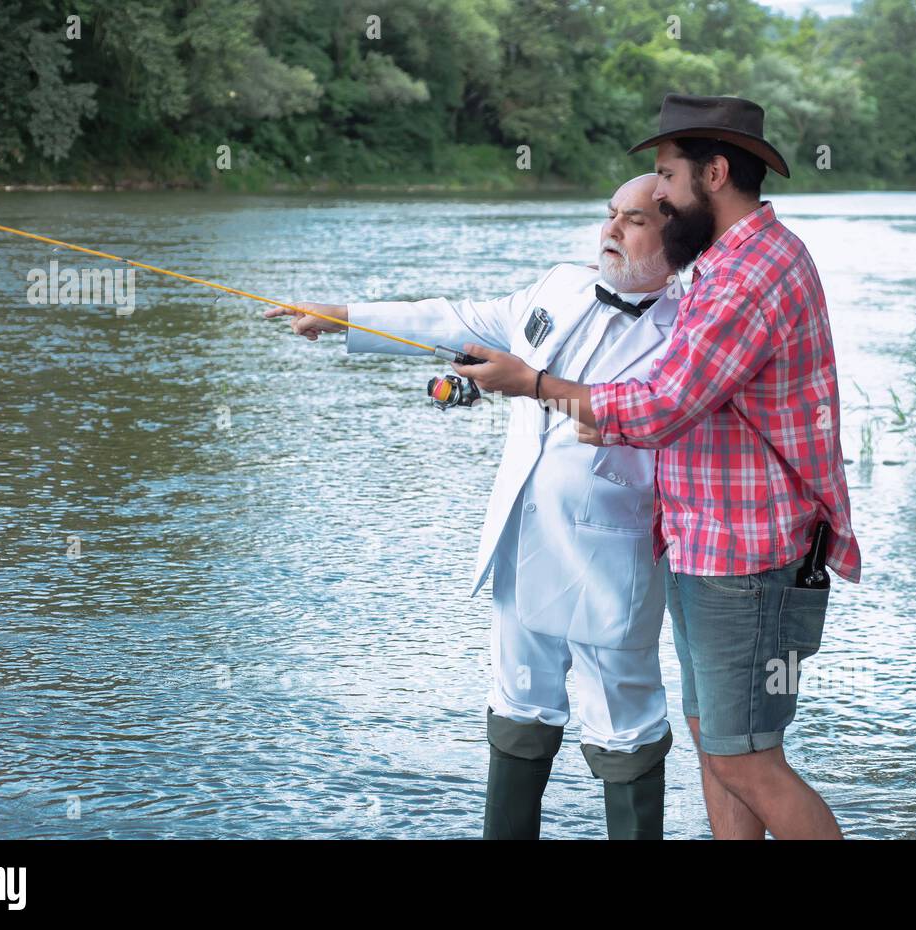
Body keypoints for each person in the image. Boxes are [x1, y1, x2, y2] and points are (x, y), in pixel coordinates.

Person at [451, 94, 862, 839]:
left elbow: (663, 406)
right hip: (713, 550)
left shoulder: (746, 279)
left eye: (667, 178)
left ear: (714, 173)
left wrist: (533, 384)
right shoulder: (734, 259)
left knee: (747, 761)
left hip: (752, 558)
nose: (661, 198)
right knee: (722, 748)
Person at [265, 174, 681, 839]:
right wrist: (346, 316)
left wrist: (533, 384)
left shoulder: (688, 333)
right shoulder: (557, 286)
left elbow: (646, 421)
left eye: (632, 221)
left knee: (625, 730)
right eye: (609, 215)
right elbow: (456, 321)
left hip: (609, 562)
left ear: (675, 234)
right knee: (517, 713)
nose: (609, 230)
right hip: (520, 544)